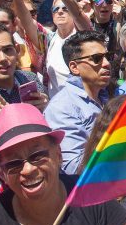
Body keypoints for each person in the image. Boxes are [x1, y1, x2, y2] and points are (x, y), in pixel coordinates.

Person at [43, 31, 112, 174]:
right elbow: (74, 168)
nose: (106, 63)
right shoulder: (61, 108)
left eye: (107, 56)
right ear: (74, 67)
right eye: (97, 58)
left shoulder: (109, 94)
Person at [0, 23, 46, 110]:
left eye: (7, 50)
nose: (3, 58)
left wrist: (46, 107)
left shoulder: (29, 79)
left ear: (17, 50)